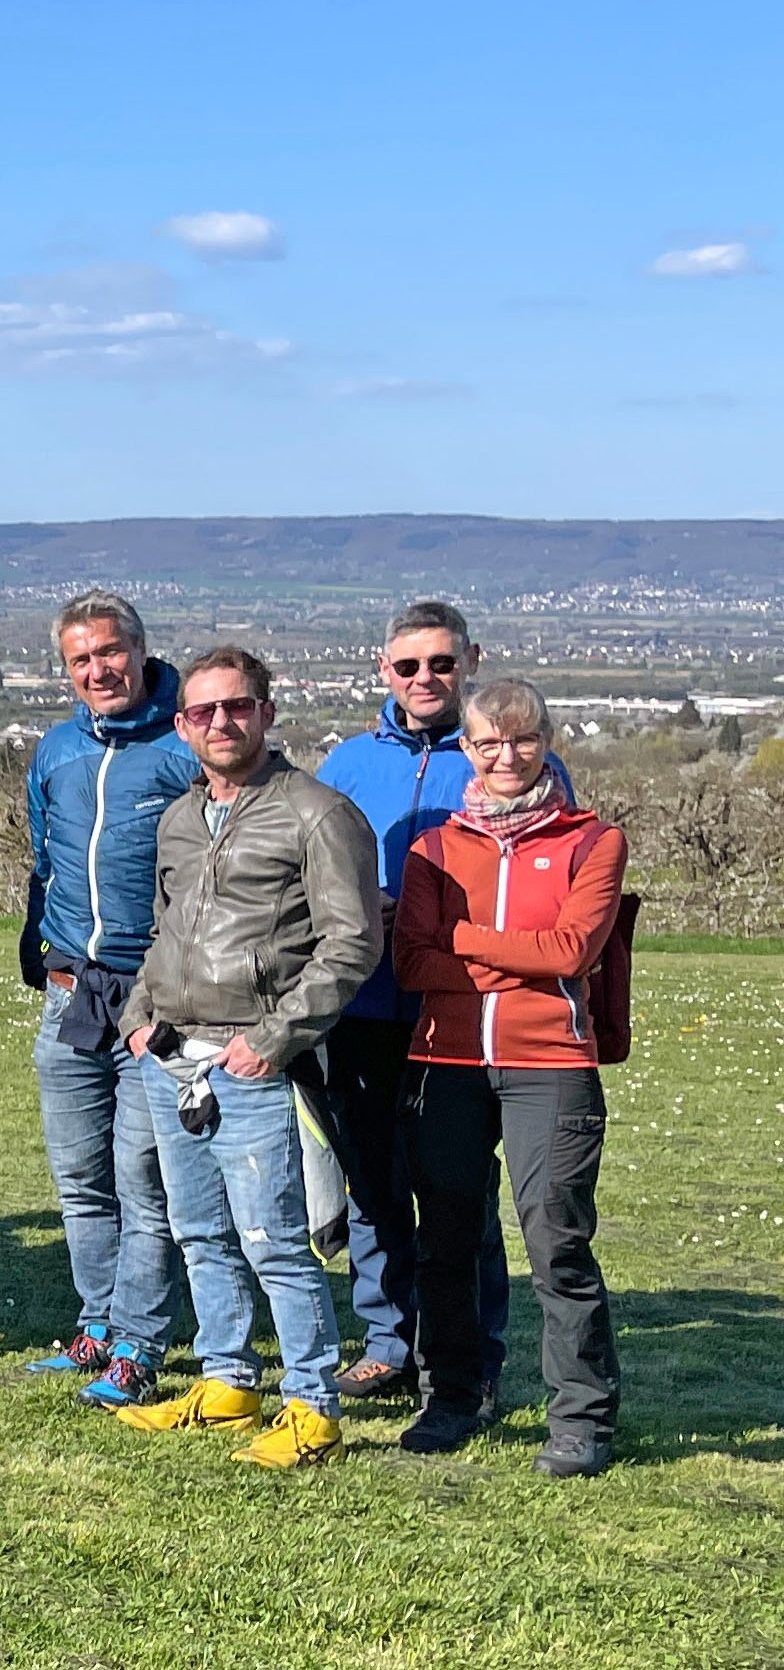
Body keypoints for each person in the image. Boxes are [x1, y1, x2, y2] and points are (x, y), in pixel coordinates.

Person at [114, 648, 381, 1470]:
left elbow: (352, 942)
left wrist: (272, 1042)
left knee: (274, 1241)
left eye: (237, 708)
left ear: (267, 712)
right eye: (203, 713)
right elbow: (164, 932)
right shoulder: (181, 818)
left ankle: (311, 1406)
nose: (221, 724)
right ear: (183, 724)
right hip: (171, 1058)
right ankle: (228, 1379)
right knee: (199, 1233)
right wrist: (138, 1016)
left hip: (254, 1062)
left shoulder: (318, 814)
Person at [392, 678, 625, 1477]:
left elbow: (572, 953)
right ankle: (451, 1396)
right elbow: (411, 961)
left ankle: (583, 1420)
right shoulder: (433, 847)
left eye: (522, 739)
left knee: (557, 1243)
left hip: (549, 1065)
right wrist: (506, 958)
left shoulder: (594, 841)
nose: (506, 755)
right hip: (445, 1064)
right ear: (468, 748)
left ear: (547, 741)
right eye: (489, 741)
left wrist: (463, 940)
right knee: (446, 1240)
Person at [315, 600, 540, 1406]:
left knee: (458, 1187)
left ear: (470, 661)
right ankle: (388, 1340)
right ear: (385, 670)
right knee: (372, 1183)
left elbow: (543, 879)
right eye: (408, 666)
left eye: (441, 664)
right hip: (364, 1004)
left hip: (459, 1008)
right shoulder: (346, 764)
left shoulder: (503, 759)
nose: (424, 679)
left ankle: (471, 1351)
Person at [18, 589, 203, 1408]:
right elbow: (43, 858)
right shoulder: (56, 749)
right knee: (80, 1177)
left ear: (140, 648)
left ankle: (138, 1342)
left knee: (143, 1180)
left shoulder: (182, 745)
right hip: (70, 996)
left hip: (153, 1001)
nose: (98, 670)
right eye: (80, 660)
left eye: (109, 653)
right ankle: (94, 1326)